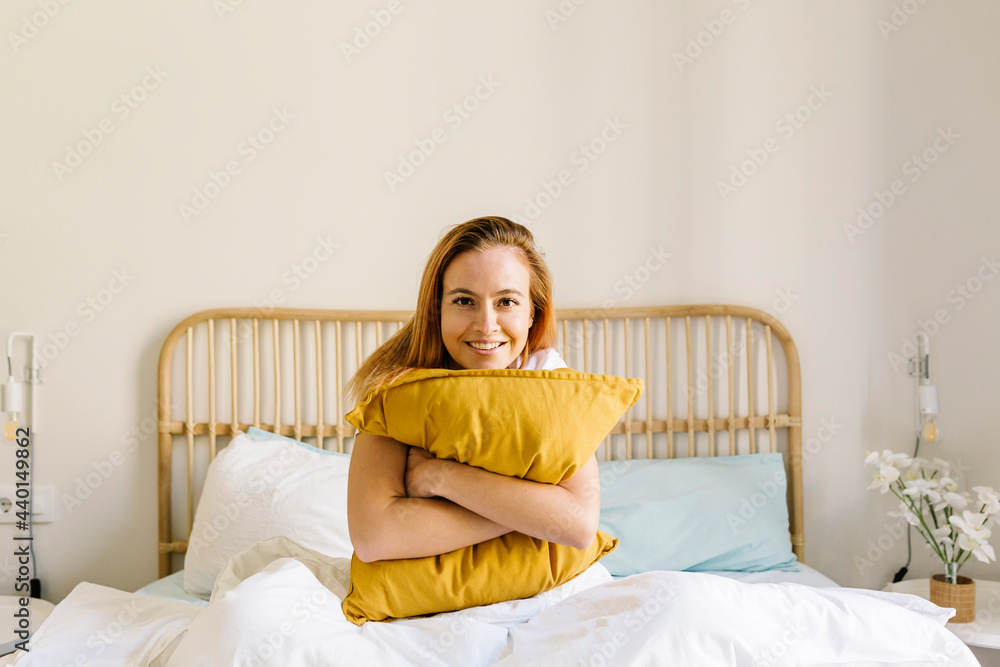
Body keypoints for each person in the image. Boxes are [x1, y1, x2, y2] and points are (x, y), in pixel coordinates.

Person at [345, 216, 601, 563]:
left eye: (506, 302)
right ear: (436, 310)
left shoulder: (550, 382)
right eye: (464, 301)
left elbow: (579, 525)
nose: (486, 325)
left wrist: (442, 477)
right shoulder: (398, 394)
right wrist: (531, 513)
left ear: (532, 313)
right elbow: (374, 538)